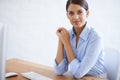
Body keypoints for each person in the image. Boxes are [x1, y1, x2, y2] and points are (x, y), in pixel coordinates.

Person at [54, 0, 108, 80]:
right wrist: (61, 39)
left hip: (96, 78)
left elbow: (78, 73)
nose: (75, 17)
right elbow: (59, 70)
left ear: (87, 13)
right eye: (71, 13)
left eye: (80, 12)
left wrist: (66, 42)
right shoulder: (67, 35)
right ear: (67, 16)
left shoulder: (96, 37)